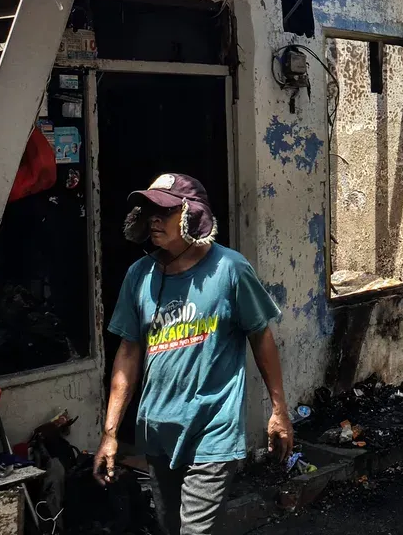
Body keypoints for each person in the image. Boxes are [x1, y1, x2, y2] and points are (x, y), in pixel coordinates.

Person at [95, 173, 294, 535]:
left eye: (165, 211)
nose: (154, 219)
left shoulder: (230, 270)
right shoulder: (139, 275)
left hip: (212, 431)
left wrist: (279, 410)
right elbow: (128, 353)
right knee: (170, 527)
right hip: (157, 432)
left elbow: (261, 336)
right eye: (150, 210)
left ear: (192, 216)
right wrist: (110, 433)